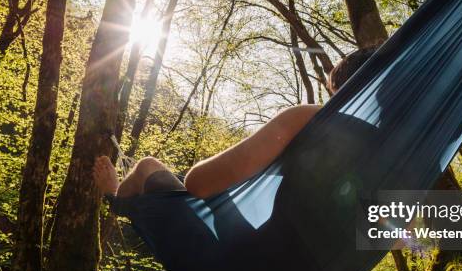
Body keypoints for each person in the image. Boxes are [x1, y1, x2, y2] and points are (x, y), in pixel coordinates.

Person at [93, 47, 376, 202]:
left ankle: (114, 198)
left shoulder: (311, 121)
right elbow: (406, 238)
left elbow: (198, 183)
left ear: (342, 92)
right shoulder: (403, 153)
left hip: (247, 265)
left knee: (147, 167)